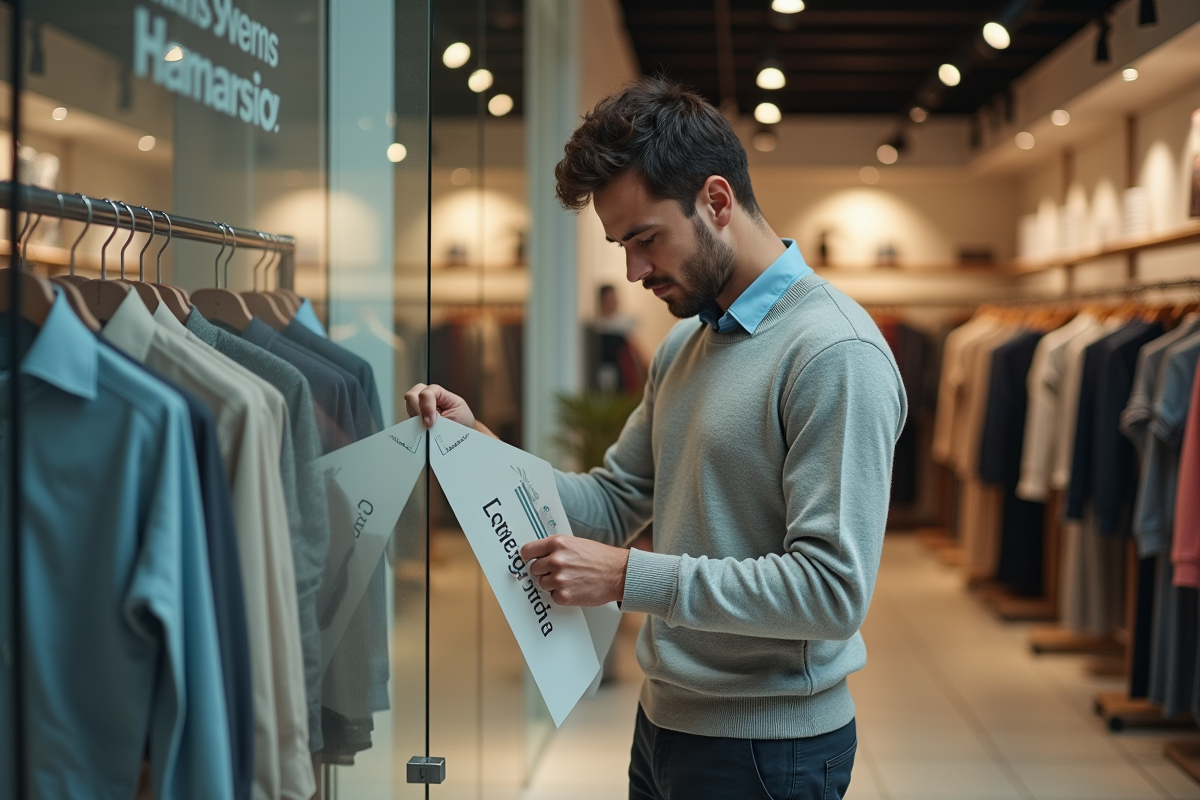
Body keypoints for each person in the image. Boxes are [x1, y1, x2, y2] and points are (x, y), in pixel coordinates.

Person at [405, 77, 906, 800]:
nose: (633, 271)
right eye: (621, 245)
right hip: (666, 725)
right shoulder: (685, 346)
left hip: (770, 751)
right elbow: (612, 502)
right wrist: (477, 444)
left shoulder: (834, 352)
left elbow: (831, 592)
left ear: (717, 201)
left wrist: (625, 578)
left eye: (645, 240)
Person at [589, 284, 646, 394]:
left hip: (624, 372)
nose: (613, 303)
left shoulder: (623, 324)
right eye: (608, 300)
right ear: (601, 301)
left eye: (614, 299)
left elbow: (633, 349)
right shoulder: (597, 326)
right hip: (606, 371)